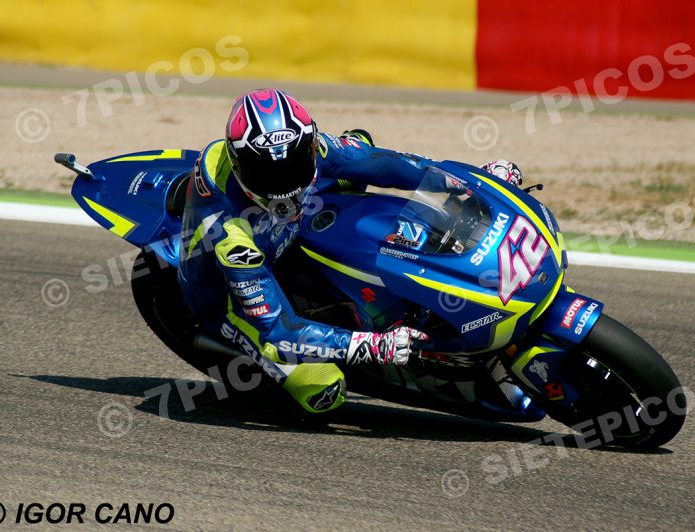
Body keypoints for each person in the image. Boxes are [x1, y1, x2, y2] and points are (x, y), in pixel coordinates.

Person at [178, 88, 524, 414]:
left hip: (285, 226)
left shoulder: (312, 148)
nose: (286, 184)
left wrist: (469, 182)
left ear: (310, 143)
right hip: (231, 297)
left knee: (360, 145)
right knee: (323, 391)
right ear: (240, 165)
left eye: (295, 165)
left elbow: (389, 164)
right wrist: (372, 346)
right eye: (268, 175)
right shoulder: (231, 238)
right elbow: (279, 333)